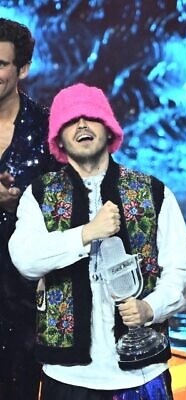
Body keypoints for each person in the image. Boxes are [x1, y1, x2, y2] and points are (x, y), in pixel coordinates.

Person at [8, 83, 186, 399]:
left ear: (109, 130)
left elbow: (181, 272)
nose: (81, 125)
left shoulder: (153, 192)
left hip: (142, 374)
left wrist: (150, 308)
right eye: (70, 120)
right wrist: (85, 234)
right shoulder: (40, 195)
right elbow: (25, 259)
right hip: (67, 376)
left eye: (90, 117)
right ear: (58, 140)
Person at [0, 18, 60, 399]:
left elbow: (66, 205)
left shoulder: (46, 127)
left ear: (22, 68)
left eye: (0, 64)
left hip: (19, 293)